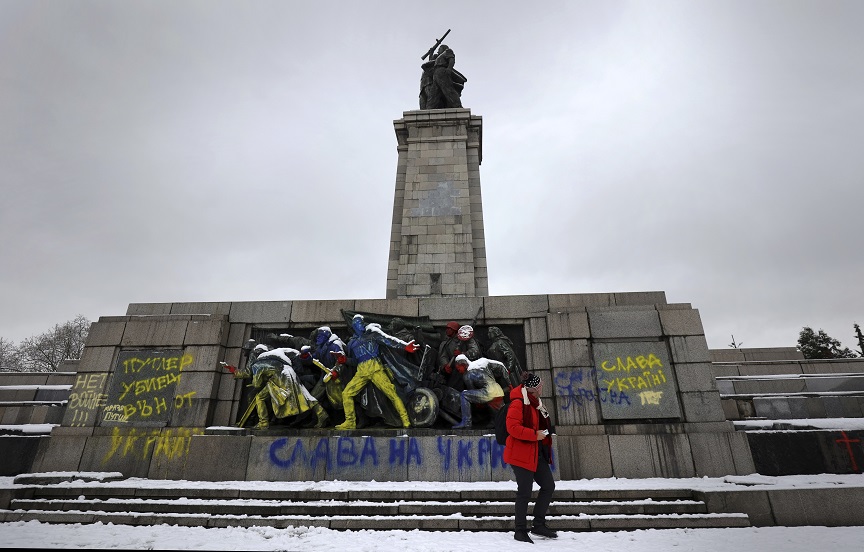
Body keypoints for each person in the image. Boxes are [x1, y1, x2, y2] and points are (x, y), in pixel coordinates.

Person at [333, 314, 419, 430]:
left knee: (392, 393)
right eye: (358, 322)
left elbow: (389, 340)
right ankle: (350, 422)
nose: (361, 324)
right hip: (361, 372)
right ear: (354, 326)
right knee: (346, 394)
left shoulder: (373, 334)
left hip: (375, 369)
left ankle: (406, 420)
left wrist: (405, 346)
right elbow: (355, 361)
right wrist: (345, 360)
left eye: (362, 322)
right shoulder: (351, 343)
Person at [503, 372, 557, 543]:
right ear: (533, 388)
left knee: (548, 486)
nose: (542, 387)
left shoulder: (536, 404)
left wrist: (544, 434)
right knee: (524, 493)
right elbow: (513, 428)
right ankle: (520, 530)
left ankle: (538, 524)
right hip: (521, 455)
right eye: (540, 385)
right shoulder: (518, 403)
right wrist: (535, 434)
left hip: (536, 454)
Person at [226, 344, 329, 430]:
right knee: (303, 395)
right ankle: (321, 414)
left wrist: (259, 378)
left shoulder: (256, 365)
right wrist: (234, 371)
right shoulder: (272, 355)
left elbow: (257, 384)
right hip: (288, 372)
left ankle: (263, 423)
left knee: (260, 397)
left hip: (280, 378)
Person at [451, 354, 509, 429]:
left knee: (464, 395)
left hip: (489, 392)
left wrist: (478, 402)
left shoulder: (467, 375)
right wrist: (509, 382)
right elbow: (500, 365)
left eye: (459, 368)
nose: (459, 371)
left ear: (463, 365)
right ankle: (503, 423)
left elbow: (472, 391)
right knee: (502, 414)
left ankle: (466, 422)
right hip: (498, 391)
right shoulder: (481, 368)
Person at [438, 322, 481, 392]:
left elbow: (475, 351)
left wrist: (462, 354)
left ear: (455, 330)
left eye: (450, 329)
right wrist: (445, 365)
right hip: (453, 370)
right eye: (447, 328)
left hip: (467, 368)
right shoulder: (447, 343)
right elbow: (443, 356)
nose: (447, 330)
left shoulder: (466, 339)